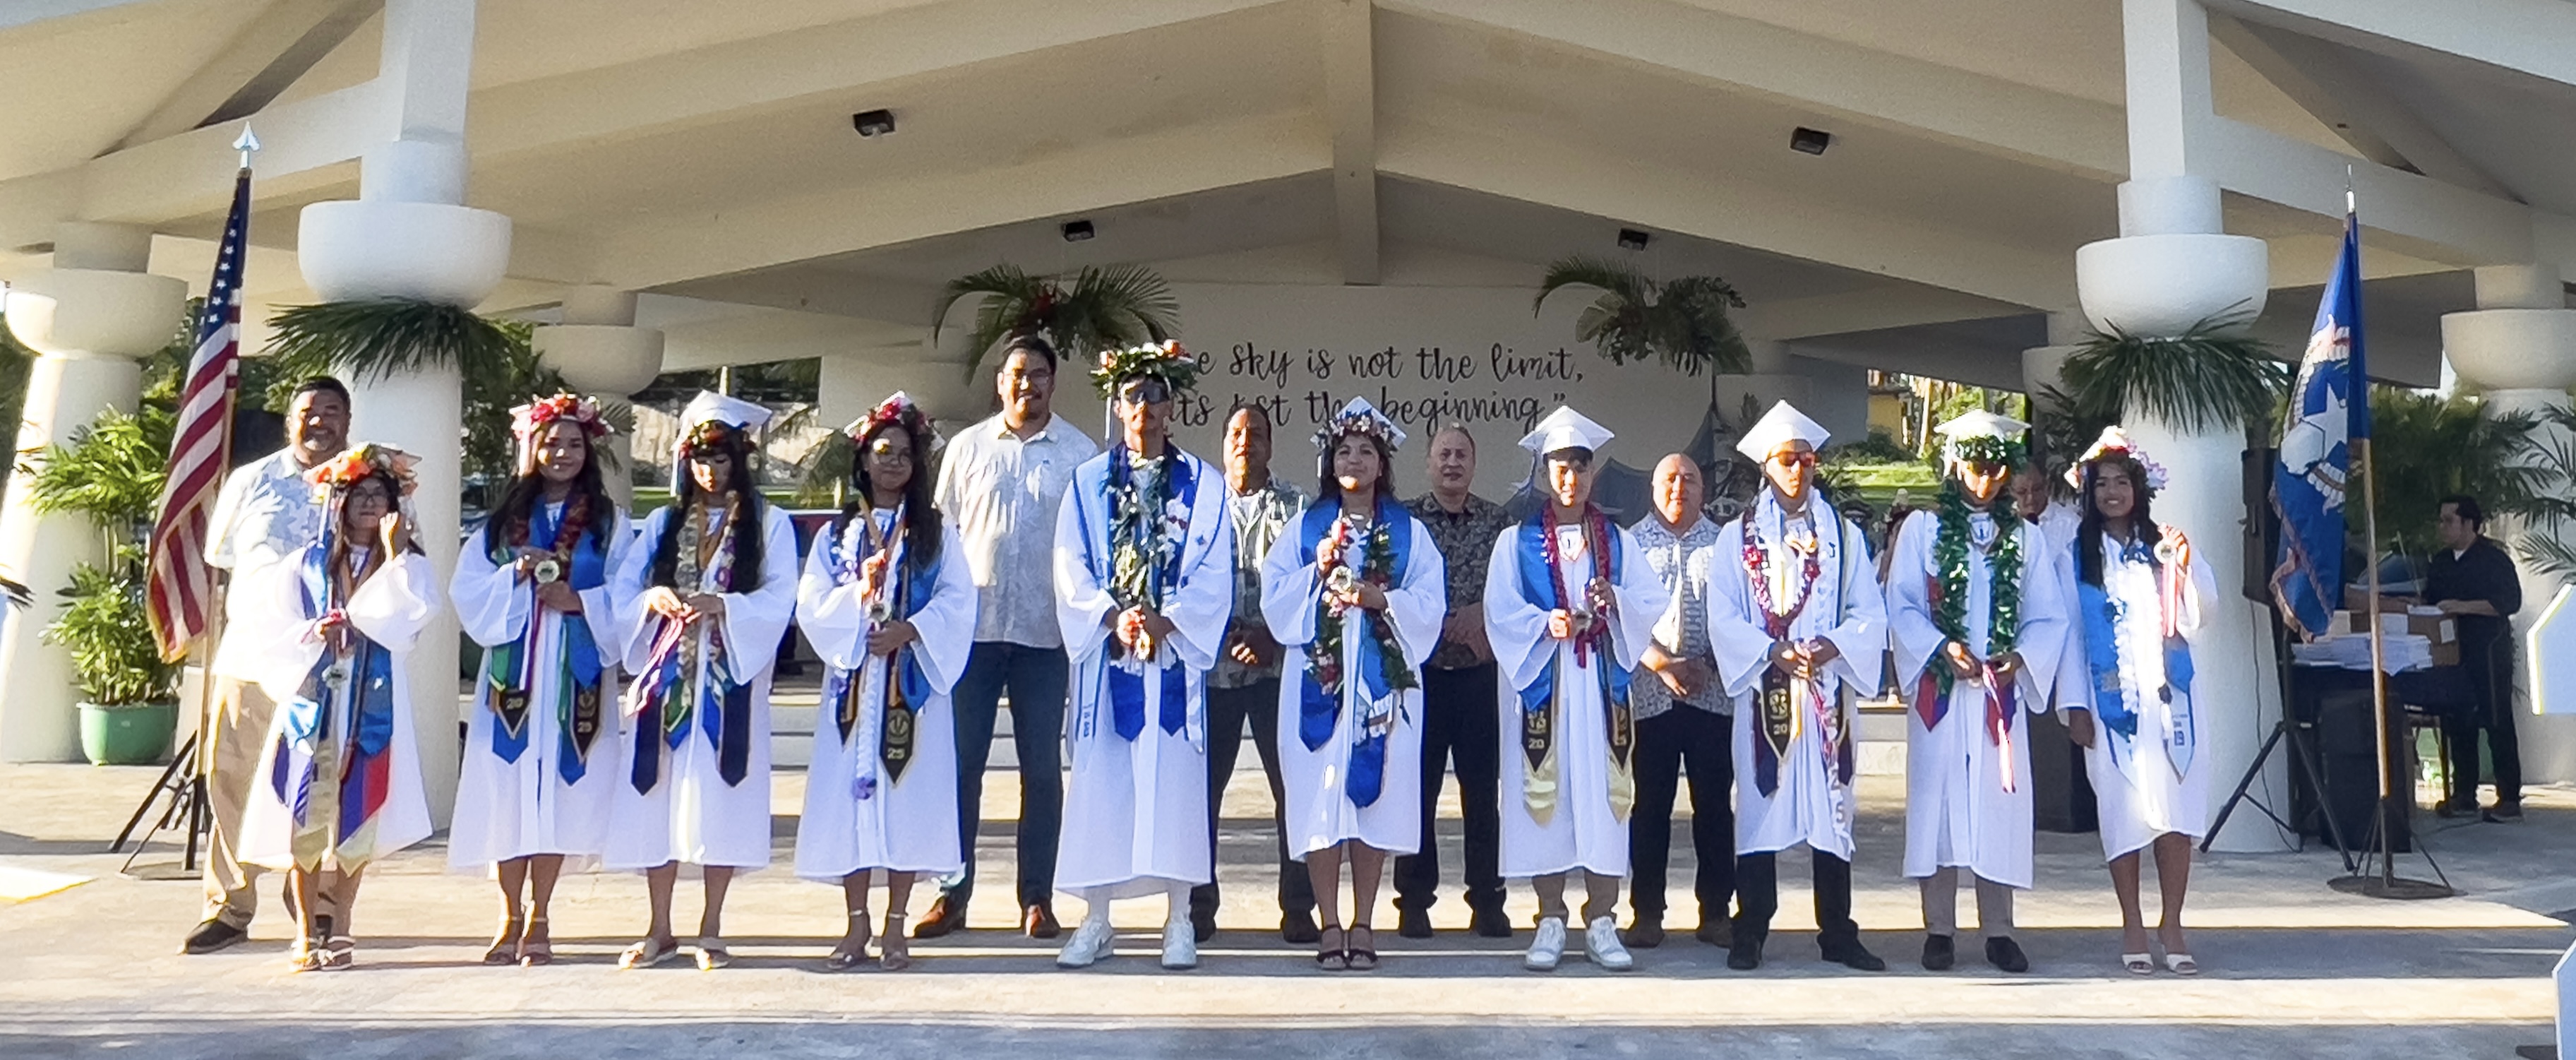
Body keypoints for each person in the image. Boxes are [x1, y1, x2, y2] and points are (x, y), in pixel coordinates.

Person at [1050, 340, 1235, 971]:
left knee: (1178, 786)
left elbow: (1215, 572)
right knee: (1101, 784)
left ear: (1173, 407)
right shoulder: (1085, 483)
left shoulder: (1205, 487)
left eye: (1157, 397)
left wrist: (1168, 618)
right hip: (1109, 657)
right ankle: (1096, 917)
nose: (1145, 410)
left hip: (1173, 660)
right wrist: (1113, 614)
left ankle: (1178, 917)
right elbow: (1069, 563)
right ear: (1117, 405)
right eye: (1134, 397)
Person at [605, 391, 798, 971]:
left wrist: (727, 606)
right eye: (699, 458)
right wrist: (652, 598)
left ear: (740, 459)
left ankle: (710, 923)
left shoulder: (769, 523)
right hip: (666, 678)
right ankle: (658, 925)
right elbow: (625, 591)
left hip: (727, 678)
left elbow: (779, 595)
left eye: (720, 458)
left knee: (721, 796)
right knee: (656, 795)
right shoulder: (665, 521)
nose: (709, 470)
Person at [233, 443, 438, 971]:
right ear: (339, 502)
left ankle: (341, 923)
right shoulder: (304, 564)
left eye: (380, 494)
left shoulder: (407, 563)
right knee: (303, 813)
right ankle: (304, 929)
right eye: (360, 494)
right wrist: (312, 631)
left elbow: (408, 618)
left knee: (356, 814)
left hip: (370, 701)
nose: (370, 503)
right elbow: (269, 630)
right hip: (314, 697)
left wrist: (394, 557)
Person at [921, 334, 1098, 941]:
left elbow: (1088, 546)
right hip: (972, 634)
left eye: (1040, 374)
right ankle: (953, 893)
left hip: (1043, 637)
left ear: (1054, 381)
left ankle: (1037, 897)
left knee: (1042, 772)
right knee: (961, 767)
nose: (1028, 384)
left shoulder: (1079, 454)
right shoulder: (967, 449)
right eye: (1018, 373)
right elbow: (940, 541)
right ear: (1000, 381)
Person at [1261, 398, 1446, 971]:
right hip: (1318, 680)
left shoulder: (1410, 532)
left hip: (1383, 684)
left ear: (1382, 464)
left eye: (1366, 450)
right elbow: (1274, 596)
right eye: (1344, 449)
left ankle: (1364, 921)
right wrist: (1316, 567)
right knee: (1321, 798)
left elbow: (1429, 605)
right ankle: (1329, 923)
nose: (1355, 458)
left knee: (1373, 801)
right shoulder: (1304, 526)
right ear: (1329, 460)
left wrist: (1379, 598)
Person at [795, 394, 978, 972]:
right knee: (851, 797)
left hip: (912, 689)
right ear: (864, 461)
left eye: (904, 453)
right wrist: (858, 602)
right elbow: (811, 602)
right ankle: (855, 927)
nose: (893, 462)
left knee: (906, 801)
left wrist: (910, 629)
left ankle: (896, 926)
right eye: (882, 452)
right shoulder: (837, 534)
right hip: (853, 683)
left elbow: (959, 598)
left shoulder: (936, 533)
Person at [1483, 407, 1669, 973]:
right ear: (1545, 472)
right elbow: (1500, 611)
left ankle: (1604, 918)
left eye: (1581, 468)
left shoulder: (1615, 538)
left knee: (1603, 799)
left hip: (1600, 687)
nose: (1571, 479)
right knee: (1549, 799)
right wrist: (1546, 623)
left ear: (1592, 474)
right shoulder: (1514, 542)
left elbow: (1649, 600)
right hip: (1547, 685)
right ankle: (1548, 917)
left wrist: (1615, 603)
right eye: (1561, 467)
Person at [1704, 400, 1888, 972]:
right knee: (1760, 806)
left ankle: (1836, 931)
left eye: (1807, 459)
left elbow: (1868, 609)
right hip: (1767, 692)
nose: (1798, 469)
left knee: (1833, 807)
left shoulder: (1844, 535)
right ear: (1766, 465)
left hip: (1827, 688)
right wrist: (1771, 651)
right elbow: (1723, 614)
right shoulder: (1737, 539)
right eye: (1787, 459)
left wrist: (1834, 645)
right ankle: (1750, 927)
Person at [1886, 411, 2071, 974]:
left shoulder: (2025, 538)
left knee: (1999, 804)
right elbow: (1902, 605)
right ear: (1954, 464)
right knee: (1936, 805)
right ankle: (1938, 928)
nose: (1984, 478)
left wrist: (2017, 658)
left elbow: (2046, 616)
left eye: (1995, 466)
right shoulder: (1921, 529)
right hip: (1941, 694)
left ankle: (1999, 929)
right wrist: (1942, 649)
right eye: (1974, 464)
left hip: (1996, 694)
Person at [449, 395, 631, 967]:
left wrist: (578, 599)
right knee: (509, 787)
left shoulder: (609, 522)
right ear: (531, 449)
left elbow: (629, 594)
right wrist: (514, 576)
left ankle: (542, 915)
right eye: (551, 443)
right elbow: (468, 590)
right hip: (513, 673)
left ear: (589, 451)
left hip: (575, 669)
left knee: (558, 790)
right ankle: (507, 913)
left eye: (574, 444)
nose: (562, 453)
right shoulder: (499, 525)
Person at [182, 376, 349, 955]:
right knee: (234, 779)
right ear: (290, 420)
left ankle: (314, 904)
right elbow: (220, 557)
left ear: (346, 423)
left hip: (329, 666)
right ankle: (229, 904)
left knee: (320, 786)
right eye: (308, 410)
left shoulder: (366, 484)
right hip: (252, 656)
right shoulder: (251, 481)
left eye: (331, 411)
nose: (319, 421)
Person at [2059, 427, 2215, 975]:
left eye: (2121, 482)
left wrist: (2183, 567)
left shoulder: (2167, 544)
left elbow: (2200, 615)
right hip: (2110, 707)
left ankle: (2171, 921)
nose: (2111, 493)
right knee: (2122, 814)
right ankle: (2131, 920)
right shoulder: (2075, 557)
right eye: (2101, 484)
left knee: (2175, 811)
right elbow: (2069, 634)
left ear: (2139, 488)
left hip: (2171, 702)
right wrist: (2074, 704)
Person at [1192, 402, 1321, 943]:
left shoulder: (1296, 508)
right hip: (1212, 671)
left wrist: (1273, 636)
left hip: (1277, 672)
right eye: (1237, 433)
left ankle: (1297, 906)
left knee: (1292, 790)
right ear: (1224, 443)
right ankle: (1198, 906)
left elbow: (1313, 580)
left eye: (1258, 434)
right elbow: (1185, 581)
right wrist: (1218, 631)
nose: (1247, 442)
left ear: (1271, 444)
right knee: (1202, 794)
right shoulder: (1197, 506)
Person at [1396, 424, 1515, 939]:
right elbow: (1393, 584)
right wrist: (1438, 617)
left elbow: (1514, 590)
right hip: (1421, 676)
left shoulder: (1498, 523)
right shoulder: (1404, 521)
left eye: (1460, 454)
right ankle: (1413, 902)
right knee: (1415, 793)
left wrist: (1480, 615)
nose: (1451, 462)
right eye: (1442, 453)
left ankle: (1487, 899)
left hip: (1477, 677)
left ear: (1473, 463)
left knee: (1481, 793)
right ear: (1427, 463)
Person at [1624, 453, 1733, 950]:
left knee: (1713, 805)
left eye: (1689, 479)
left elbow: (1737, 613)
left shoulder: (1725, 544)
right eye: (1669, 478)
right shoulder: (1628, 546)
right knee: (1649, 807)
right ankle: (1646, 911)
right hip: (1651, 695)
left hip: (1714, 695)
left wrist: (1707, 663)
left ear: (1702, 489)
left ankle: (1715, 911)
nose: (1679, 487)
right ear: (1652, 487)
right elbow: (1619, 619)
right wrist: (1662, 664)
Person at [2424, 494, 2524, 822]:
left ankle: (2509, 796)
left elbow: (2509, 602)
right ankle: (2463, 793)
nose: (2443, 527)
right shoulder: (2440, 562)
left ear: (2469, 524)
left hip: (2489, 648)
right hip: (2453, 651)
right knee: (2458, 721)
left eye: (2449, 521)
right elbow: (2430, 600)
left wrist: (2462, 606)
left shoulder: (2493, 560)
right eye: (2441, 520)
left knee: (2496, 719)